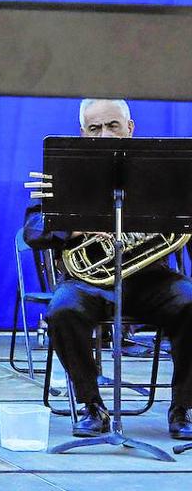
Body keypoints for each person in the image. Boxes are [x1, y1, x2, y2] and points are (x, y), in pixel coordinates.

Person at [25, 98, 192, 440]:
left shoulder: (162, 173)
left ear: (130, 128)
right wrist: (73, 227)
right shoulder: (65, 174)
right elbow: (32, 230)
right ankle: (91, 406)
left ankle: (184, 408)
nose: (104, 134)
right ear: (83, 133)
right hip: (89, 280)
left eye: (112, 126)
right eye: (95, 128)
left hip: (151, 279)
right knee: (62, 311)